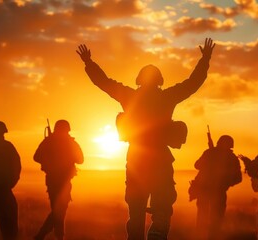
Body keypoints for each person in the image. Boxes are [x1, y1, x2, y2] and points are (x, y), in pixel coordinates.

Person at [76, 38, 215, 240]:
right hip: (160, 159)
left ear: (139, 79)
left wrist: (89, 63)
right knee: (161, 210)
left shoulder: (129, 96)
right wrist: (205, 59)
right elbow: (192, 83)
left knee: (136, 211)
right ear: (159, 80)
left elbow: (104, 82)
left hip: (137, 159)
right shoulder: (167, 97)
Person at [33, 120, 84, 240]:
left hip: (53, 181)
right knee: (59, 212)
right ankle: (49, 236)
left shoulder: (49, 142)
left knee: (58, 211)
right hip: (63, 181)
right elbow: (80, 159)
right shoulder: (69, 143)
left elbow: (36, 157)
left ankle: (43, 236)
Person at [192, 135, 242, 239]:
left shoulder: (209, 153)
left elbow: (197, 165)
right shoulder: (232, 158)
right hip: (217, 192)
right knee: (216, 220)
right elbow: (238, 178)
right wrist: (225, 183)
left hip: (206, 191)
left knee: (203, 218)